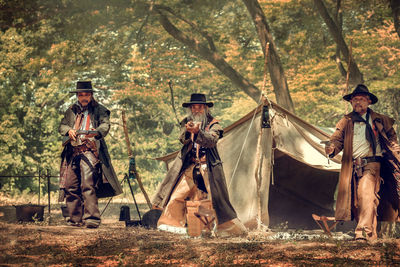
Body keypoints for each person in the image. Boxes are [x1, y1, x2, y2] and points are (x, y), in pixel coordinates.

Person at [152, 93, 247, 237]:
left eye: (200, 107)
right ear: (190, 109)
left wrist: (198, 132)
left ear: (205, 109)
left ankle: (230, 229)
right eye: (194, 107)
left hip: (208, 166)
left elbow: (211, 141)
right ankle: (169, 225)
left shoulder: (214, 124)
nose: (197, 110)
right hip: (190, 166)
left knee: (217, 199)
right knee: (176, 196)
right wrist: (188, 130)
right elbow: (183, 140)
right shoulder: (186, 121)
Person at [325, 84, 400, 242]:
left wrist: (397, 153)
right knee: (362, 200)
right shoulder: (346, 121)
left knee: (365, 192)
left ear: (368, 101)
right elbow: (336, 140)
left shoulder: (380, 120)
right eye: (354, 100)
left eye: (361, 99)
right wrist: (331, 148)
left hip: (373, 164)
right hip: (353, 167)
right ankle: (371, 236)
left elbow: (392, 139)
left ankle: (362, 232)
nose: (357, 102)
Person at [59, 81, 122, 228]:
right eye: (81, 95)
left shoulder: (100, 109)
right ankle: (75, 219)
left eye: (86, 94)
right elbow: (62, 126)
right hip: (72, 152)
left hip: (90, 151)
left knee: (87, 184)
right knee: (70, 186)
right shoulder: (71, 110)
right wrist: (69, 130)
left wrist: (96, 132)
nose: (83, 97)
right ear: (77, 96)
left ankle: (92, 219)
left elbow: (105, 125)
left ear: (91, 95)